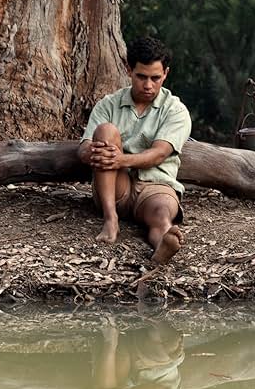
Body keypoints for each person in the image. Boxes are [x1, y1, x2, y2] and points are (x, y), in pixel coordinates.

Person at [77, 37, 192, 264]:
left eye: (155, 78)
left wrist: (120, 159)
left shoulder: (176, 110)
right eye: (141, 77)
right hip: (114, 187)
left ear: (166, 74)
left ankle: (163, 244)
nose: (148, 85)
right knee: (106, 131)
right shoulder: (108, 104)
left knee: (161, 216)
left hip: (157, 185)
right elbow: (82, 148)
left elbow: (159, 153)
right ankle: (111, 220)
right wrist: (96, 151)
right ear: (128, 69)